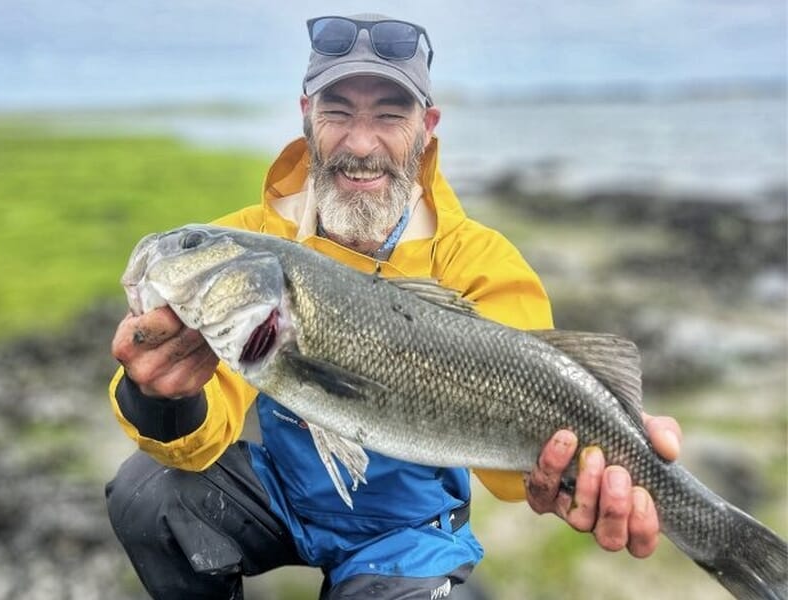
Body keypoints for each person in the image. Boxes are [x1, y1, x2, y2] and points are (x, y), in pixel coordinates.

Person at [107, 13, 682, 600]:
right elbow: (202, 435)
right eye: (338, 113)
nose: (361, 144)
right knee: (145, 492)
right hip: (287, 494)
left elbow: (522, 446)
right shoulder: (249, 244)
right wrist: (159, 397)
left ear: (427, 126)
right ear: (306, 115)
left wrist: (579, 472)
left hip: (408, 531)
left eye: (389, 114)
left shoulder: (479, 260)